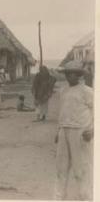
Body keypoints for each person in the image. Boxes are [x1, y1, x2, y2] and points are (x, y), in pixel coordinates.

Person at [54, 60, 93, 201]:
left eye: (72, 74)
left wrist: (93, 129)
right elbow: (63, 112)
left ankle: (85, 197)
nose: (69, 77)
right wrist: (58, 131)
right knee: (61, 167)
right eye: (67, 74)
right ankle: (59, 197)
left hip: (80, 132)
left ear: (79, 75)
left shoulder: (87, 91)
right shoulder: (63, 91)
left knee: (81, 168)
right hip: (64, 130)